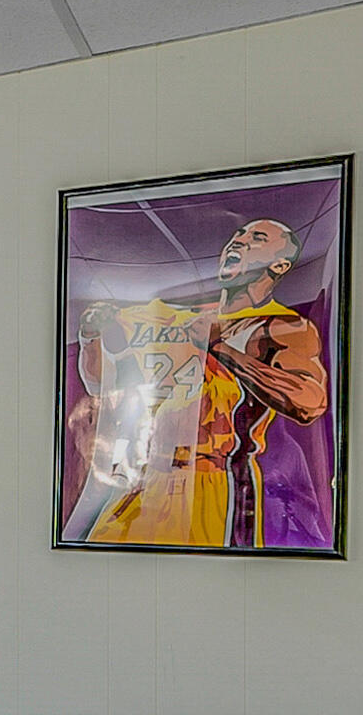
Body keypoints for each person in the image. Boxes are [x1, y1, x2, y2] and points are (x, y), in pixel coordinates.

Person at [70, 218, 329, 548]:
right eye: (237, 235)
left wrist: (219, 348)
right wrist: (91, 337)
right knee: (102, 572)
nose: (238, 242)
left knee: (196, 585)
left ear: (279, 264)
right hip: (141, 480)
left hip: (211, 481)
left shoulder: (282, 325)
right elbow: (102, 388)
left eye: (256, 239)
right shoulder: (175, 318)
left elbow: (309, 402)